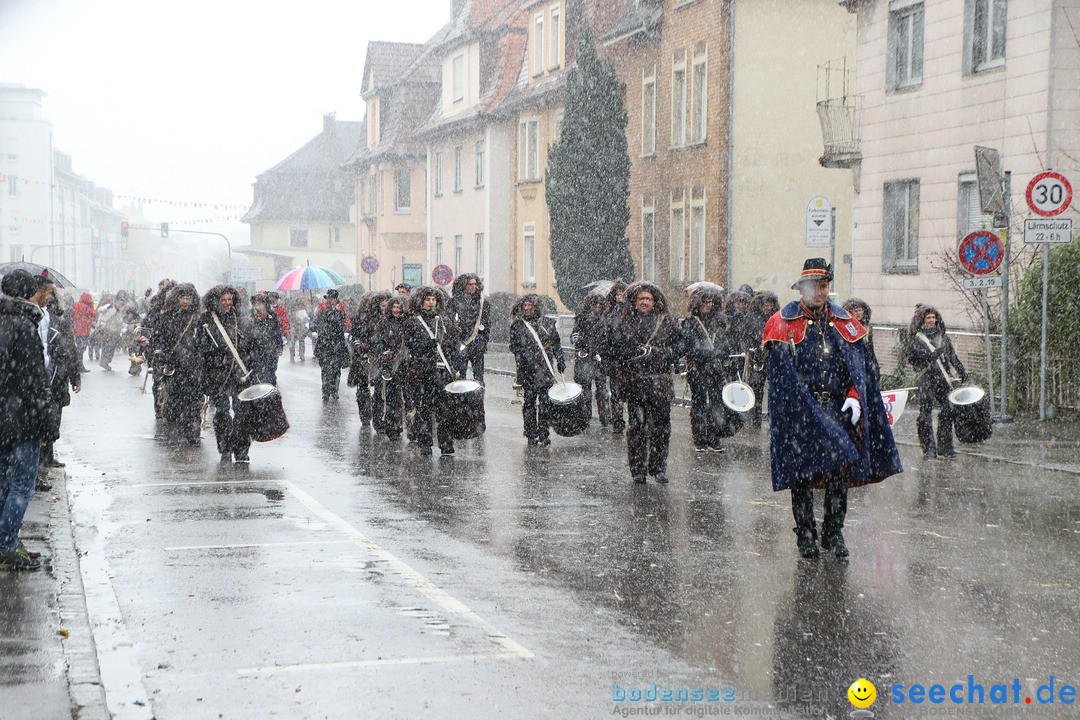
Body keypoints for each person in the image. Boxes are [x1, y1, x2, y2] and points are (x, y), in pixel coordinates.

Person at [763, 259, 902, 559]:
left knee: (839, 470)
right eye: (813, 286)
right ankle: (805, 533)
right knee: (801, 474)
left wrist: (855, 396)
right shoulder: (781, 323)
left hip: (838, 409)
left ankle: (833, 531)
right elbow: (782, 378)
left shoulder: (845, 322)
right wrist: (803, 407)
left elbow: (861, 369)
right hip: (800, 409)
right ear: (801, 289)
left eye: (823, 286)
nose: (819, 292)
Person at [608, 282, 686, 484]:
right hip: (634, 383)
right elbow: (611, 348)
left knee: (661, 427)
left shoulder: (667, 322)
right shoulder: (623, 321)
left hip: (660, 383)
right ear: (634, 300)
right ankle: (638, 471)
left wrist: (661, 354)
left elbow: (681, 345)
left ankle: (658, 468)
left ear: (655, 301)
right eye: (641, 298)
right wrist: (630, 354)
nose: (644, 302)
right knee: (637, 427)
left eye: (648, 299)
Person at [0, 269, 51, 570]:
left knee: (4, 481)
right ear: (29, 293)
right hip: (22, 417)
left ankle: (5, 541)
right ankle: (7, 544)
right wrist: (45, 419)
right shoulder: (24, 324)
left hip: (5, 416)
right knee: (22, 484)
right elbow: (34, 380)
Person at [195, 284, 255, 463]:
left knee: (242, 413)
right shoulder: (206, 319)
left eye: (230, 300)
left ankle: (242, 450)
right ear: (216, 301)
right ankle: (225, 448)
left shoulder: (241, 317)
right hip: (218, 376)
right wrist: (215, 352)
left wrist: (251, 359)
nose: (228, 303)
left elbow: (252, 342)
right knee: (222, 413)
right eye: (224, 300)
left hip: (240, 374)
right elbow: (200, 345)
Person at [403, 286, 464, 455]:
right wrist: (423, 346)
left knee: (444, 409)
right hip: (420, 371)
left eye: (433, 299)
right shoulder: (412, 322)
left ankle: (445, 443)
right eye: (428, 299)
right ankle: (425, 443)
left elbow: (453, 345)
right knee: (423, 409)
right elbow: (409, 344)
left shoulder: (445, 322)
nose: (431, 302)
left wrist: (456, 362)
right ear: (421, 301)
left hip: (442, 372)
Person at [906, 305, 965, 460]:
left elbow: (952, 356)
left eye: (933, 318)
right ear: (922, 320)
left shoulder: (943, 337)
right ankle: (928, 448)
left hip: (942, 379)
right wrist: (927, 357)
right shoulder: (917, 338)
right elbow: (911, 357)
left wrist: (961, 371)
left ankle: (945, 446)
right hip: (925, 379)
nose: (932, 320)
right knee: (925, 413)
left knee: (948, 409)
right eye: (928, 318)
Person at [682, 286, 735, 452]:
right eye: (704, 302)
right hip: (697, 368)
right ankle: (699, 439)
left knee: (717, 404)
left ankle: (714, 438)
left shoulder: (720, 320)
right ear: (698, 303)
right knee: (699, 404)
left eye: (710, 302)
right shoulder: (690, 321)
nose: (707, 305)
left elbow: (725, 342)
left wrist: (724, 351)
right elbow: (688, 346)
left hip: (716, 369)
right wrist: (705, 352)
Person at [509, 293, 565, 446]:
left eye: (530, 306)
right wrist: (523, 352)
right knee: (529, 402)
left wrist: (560, 360)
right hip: (527, 370)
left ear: (536, 307)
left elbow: (556, 344)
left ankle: (544, 432)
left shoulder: (548, 323)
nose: (527, 308)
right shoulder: (517, 326)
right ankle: (531, 433)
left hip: (545, 369)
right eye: (524, 306)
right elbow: (513, 346)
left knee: (546, 403)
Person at [153, 283, 203, 445]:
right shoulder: (167, 317)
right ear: (176, 298)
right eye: (182, 297)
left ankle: (193, 431)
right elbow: (158, 339)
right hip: (173, 366)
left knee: (193, 401)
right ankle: (173, 430)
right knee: (174, 400)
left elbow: (204, 343)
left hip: (193, 367)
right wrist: (161, 355)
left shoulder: (198, 319)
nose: (185, 301)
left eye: (189, 297)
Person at [40, 283, 81, 475]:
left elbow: (70, 351)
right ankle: (44, 456)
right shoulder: (40, 319)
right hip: (49, 376)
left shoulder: (57, 320)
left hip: (55, 376)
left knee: (52, 417)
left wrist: (74, 377)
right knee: (49, 417)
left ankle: (47, 455)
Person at [571, 293, 610, 425]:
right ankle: (586, 416)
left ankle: (604, 418)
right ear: (590, 305)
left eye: (600, 305)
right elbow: (574, 336)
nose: (597, 307)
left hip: (600, 358)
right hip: (586, 357)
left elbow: (609, 339)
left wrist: (605, 347)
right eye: (595, 305)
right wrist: (578, 340)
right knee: (586, 389)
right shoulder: (582, 319)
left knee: (602, 389)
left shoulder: (606, 320)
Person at [373, 296, 409, 439]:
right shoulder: (384, 323)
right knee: (391, 396)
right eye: (393, 307)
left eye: (398, 307)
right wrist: (383, 352)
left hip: (404, 364)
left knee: (406, 397)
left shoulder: (408, 323)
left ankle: (404, 425)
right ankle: (392, 426)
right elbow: (378, 341)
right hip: (389, 365)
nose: (396, 310)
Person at [447, 273, 491, 384]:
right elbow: (449, 322)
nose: (473, 287)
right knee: (459, 376)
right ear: (463, 285)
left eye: (474, 284)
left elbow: (487, 324)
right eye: (469, 284)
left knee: (479, 377)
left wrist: (483, 342)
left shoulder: (482, 303)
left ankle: (478, 397)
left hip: (477, 343)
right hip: (460, 343)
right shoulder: (454, 302)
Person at [746, 291, 779, 429]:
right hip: (757, 360)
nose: (767, 308)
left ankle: (773, 420)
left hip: (772, 359)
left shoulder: (777, 318)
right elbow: (746, 337)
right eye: (765, 305)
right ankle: (755, 421)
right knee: (757, 391)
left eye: (770, 305)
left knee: (773, 391)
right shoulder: (752, 319)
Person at [599, 280, 628, 433]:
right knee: (616, 392)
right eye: (617, 294)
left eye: (622, 294)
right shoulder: (609, 313)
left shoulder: (632, 311)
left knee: (630, 391)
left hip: (629, 358)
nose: (620, 296)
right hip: (614, 358)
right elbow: (604, 334)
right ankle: (618, 421)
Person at [312, 288, 350, 401]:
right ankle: (325, 391)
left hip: (337, 345)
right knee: (325, 369)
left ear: (335, 300)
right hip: (324, 345)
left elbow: (342, 324)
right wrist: (317, 315)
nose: (328, 300)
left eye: (331, 298)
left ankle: (334, 390)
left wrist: (334, 312)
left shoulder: (340, 310)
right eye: (327, 298)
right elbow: (316, 324)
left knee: (336, 369)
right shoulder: (321, 309)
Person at [843, 298, 880, 382]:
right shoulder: (846, 327)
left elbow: (871, 351)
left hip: (866, 365)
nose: (859, 313)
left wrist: (875, 368)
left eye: (861, 310)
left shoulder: (866, 328)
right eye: (856, 311)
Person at [249, 293, 283, 385]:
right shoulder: (250, 316)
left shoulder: (272, 316)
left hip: (270, 349)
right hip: (255, 350)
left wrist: (279, 346)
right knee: (257, 374)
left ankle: (270, 391)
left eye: (260, 302)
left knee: (270, 372)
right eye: (256, 302)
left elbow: (277, 331)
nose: (258, 304)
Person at [72, 292, 96, 372]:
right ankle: (80, 366)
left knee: (79, 348)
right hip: (84, 330)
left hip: (77, 329)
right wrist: (92, 306)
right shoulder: (86, 307)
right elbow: (94, 314)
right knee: (81, 349)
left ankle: (78, 365)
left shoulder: (75, 305)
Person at [287, 296, 311, 362]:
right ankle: (300, 355)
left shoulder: (291, 310)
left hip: (296, 328)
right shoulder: (294, 311)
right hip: (297, 328)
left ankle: (295, 355)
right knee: (298, 341)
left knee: (294, 342)